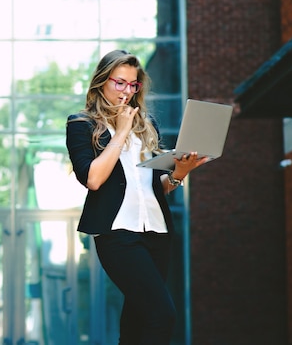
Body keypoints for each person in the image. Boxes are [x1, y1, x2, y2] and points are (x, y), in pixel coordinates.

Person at [65, 50, 207, 345]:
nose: (127, 92)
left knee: (138, 319)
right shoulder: (82, 124)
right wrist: (121, 131)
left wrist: (181, 171)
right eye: (119, 83)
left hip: (157, 232)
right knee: (161, 315)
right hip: (118, 235)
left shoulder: (147, 125)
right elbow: (93, 179)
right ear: (101, 83)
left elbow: (156, 186)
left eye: (133, 85)